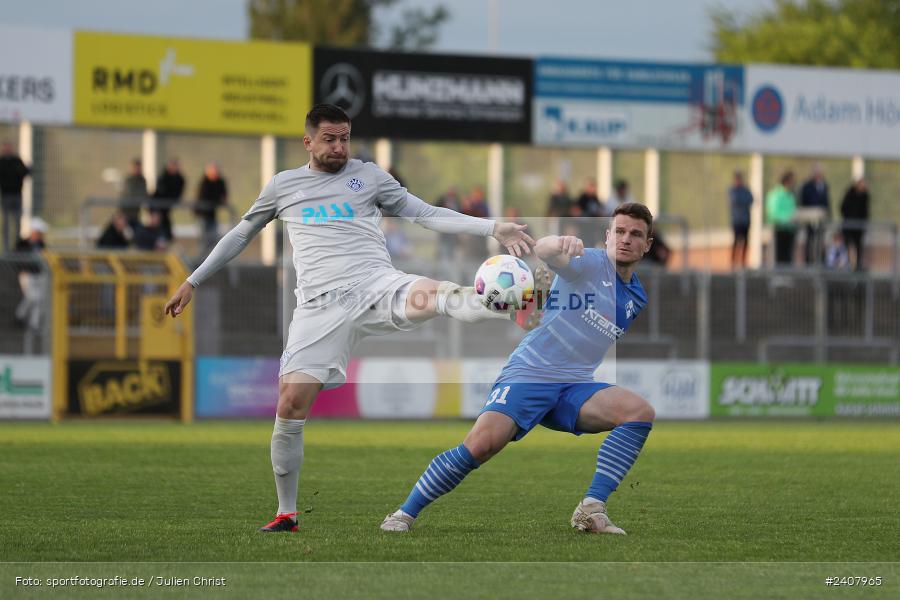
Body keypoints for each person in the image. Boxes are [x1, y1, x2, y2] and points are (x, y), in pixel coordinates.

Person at [163, 104, 535, 533]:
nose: (339, 147)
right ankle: (287, 512)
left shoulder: (369, 176)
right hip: (320, 307)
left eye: (344, 138)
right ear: (308, 142)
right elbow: (240, 234)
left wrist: (492, 228)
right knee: (290, 404)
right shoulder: (284, 186)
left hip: (376, 285)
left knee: (435, 294)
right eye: (329, 139)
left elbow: (425, 213)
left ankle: (507, 302)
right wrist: (193, 280)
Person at [381, 203, 655, 535]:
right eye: (620, 232)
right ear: (608, 236)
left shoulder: (636, 296)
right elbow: (545, 250)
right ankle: (402, 515)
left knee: (639, 412)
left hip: (574, 385)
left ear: (647, 245)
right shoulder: (590, 263)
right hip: (531, 373)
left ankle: (591, 508)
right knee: (480, 446)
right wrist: (558, 243)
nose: (626, 239)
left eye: (636, 234)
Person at [0, 141, 31, 253]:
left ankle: (17, 248)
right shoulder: (2, 161)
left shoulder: (17, 161)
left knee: (17, 222)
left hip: (17, 195)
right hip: (6, 196)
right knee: (6, 223)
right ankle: (6, 249)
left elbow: (26, 172)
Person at [799, 165, 830, 265]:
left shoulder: (824, 186)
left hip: (821, 218)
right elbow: (804, 201)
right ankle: (809, 262)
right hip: (810, 217)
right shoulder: (807, 186)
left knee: (821, 240)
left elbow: (827, 202)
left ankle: (820, 261)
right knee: (810, 240)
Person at [766, 171, 797, 267]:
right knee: (778, 256)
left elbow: (793, 210)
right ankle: (778, 276)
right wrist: (787, 219)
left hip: (790, 230)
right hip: (779, 229)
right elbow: (773, 213)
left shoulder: (791, 195)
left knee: (788, 256)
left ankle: (787, 276)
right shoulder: (776, 194)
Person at [196, 163, 228, 252]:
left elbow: (223, 196)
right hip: (203, 216)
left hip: (212, 216)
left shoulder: (220, 182)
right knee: (204, 239)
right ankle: (201, 259)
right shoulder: (204, 183)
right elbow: (204, 197)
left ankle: (210, 256)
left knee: (214, 238)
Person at [840, 178, 870, 272]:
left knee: (858, 247)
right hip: (849, 226)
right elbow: (843, 207)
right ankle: (847, 264)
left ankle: (858, 266)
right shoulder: (850, 194)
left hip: (859, 228)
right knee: (847, 246)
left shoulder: (865, 196)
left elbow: (865, 211)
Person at [154, 158, 186, 241]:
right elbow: (159, 192)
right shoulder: (163, 177)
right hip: (159, 206)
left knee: (165, 225)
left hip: (167, 207)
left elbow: (177, 193)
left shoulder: (180, 179)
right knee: (161, 226)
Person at [729, 170, 753, 269]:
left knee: (745, 242)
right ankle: (733, 262)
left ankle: (743, 262)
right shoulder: (732, 190)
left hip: (745, 221)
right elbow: (735, 200)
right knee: (736, 241)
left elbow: (750, 199)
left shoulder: (745, 190)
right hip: (737, 221)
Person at [435, 187, 462, 261]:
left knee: (451, 250)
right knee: (443, 248)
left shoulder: (457, 202)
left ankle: (449, 262)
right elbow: (435, 208)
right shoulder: (443, 200)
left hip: (453, 230)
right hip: (443, 229)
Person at [120, 158, 148, 228]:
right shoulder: (128, 180)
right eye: (135, 167)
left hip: (135, 213)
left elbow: (143, 194)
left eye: (139, 167)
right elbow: (129, 194)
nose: (137, 169)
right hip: (126, 212)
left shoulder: (142, 180)